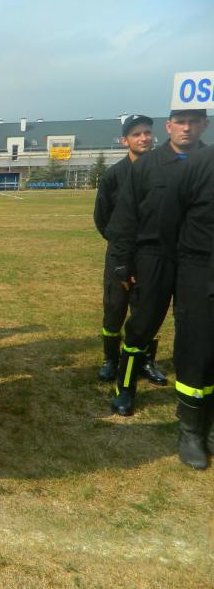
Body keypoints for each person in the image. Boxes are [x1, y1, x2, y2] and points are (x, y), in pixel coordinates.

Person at [108, 109, 209, 416]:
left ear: (205, 125)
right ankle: (125, 386)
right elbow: (126, 217)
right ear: (169, 126)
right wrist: (123, 263)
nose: (187, 128)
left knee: (196, 328)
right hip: (153, 256)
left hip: (200, 261)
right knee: (142, 324)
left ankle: (194, 397)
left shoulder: (209, 162)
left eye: (194, 122)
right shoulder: (147, 165)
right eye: (180, 122)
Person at [159, 144, 214, 469]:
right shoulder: (199, 163)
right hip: (200, 267)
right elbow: (168, 220)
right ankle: (191, 430)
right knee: (197, 349)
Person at [93, 115, 158, 383]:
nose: (143, 138)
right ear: (125, 141)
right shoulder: (113, 176)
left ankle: (145, 361)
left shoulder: (163, 172)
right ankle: (110, 359)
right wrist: (120, 247)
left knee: (148, 310)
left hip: (152, 256)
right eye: (136, 134)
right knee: (114, 308)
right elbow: (102, 217)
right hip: (119, 254)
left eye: (147, 133)